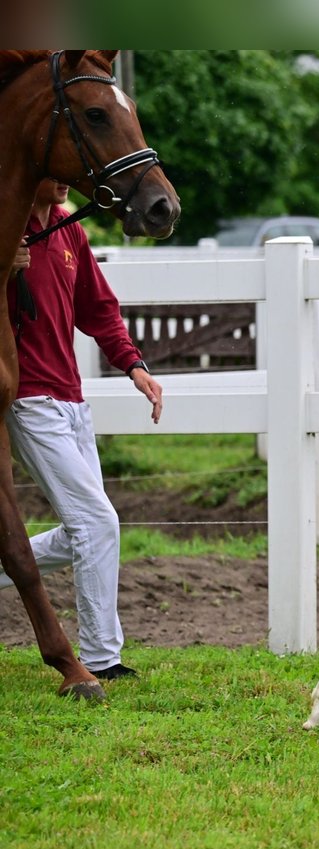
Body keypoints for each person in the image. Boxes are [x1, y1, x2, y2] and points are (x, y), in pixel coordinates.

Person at [2, 178, 163, 680]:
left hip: (72, 398)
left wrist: (133, 365)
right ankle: (101, 658)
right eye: (53, 170)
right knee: (98, 523)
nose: (65, 179)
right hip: (28, 398)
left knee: (86, 533)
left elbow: (98, 308)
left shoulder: (70, 231)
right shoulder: (8, 230)